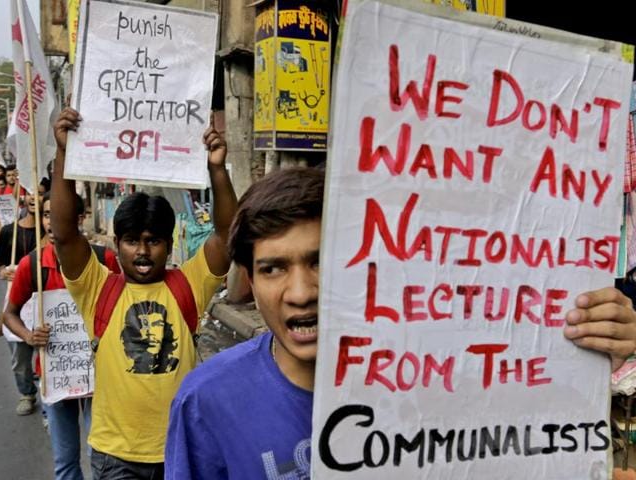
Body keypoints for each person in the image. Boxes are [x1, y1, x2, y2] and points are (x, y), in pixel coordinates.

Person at [165, 167, 636, 479]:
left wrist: (598, 344)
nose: (302, 291)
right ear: (249, 278)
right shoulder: (206, 402)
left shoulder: (437, 376)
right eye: (273, 268)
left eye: (321, 261)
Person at [51, 107, 237, 480]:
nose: (141, 251)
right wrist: (63, 156)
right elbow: (66, 233)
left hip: (181, 448)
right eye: (132, 241)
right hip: (115, 454)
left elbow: (226, 235)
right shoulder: (97, 288)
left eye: (153, 241)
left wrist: (217, 169)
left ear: (170, 245)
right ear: (117, 244)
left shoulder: (189, 284)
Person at [3, 192, 120, 480]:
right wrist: (30, 337)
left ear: (79, 219)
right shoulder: (32, 265)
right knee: (65, 462)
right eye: (46, 215)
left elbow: (123, 307)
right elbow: (9, 314)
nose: (53, 223)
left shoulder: (104, 259)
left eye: (60, 216)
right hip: (55, 374)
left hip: (100, 372)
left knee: (101, 455)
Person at [0, 182, 46, 416]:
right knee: (20, 355)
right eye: (31, 192)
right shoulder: (9, 231)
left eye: (41, 192)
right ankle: (26, 392)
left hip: (46, 298)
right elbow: (0, 265)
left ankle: (51, 404)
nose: (35, 198)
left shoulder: (52, 232)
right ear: (23, 197)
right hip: (18, 299)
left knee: (48, 353)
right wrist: (4, 271)